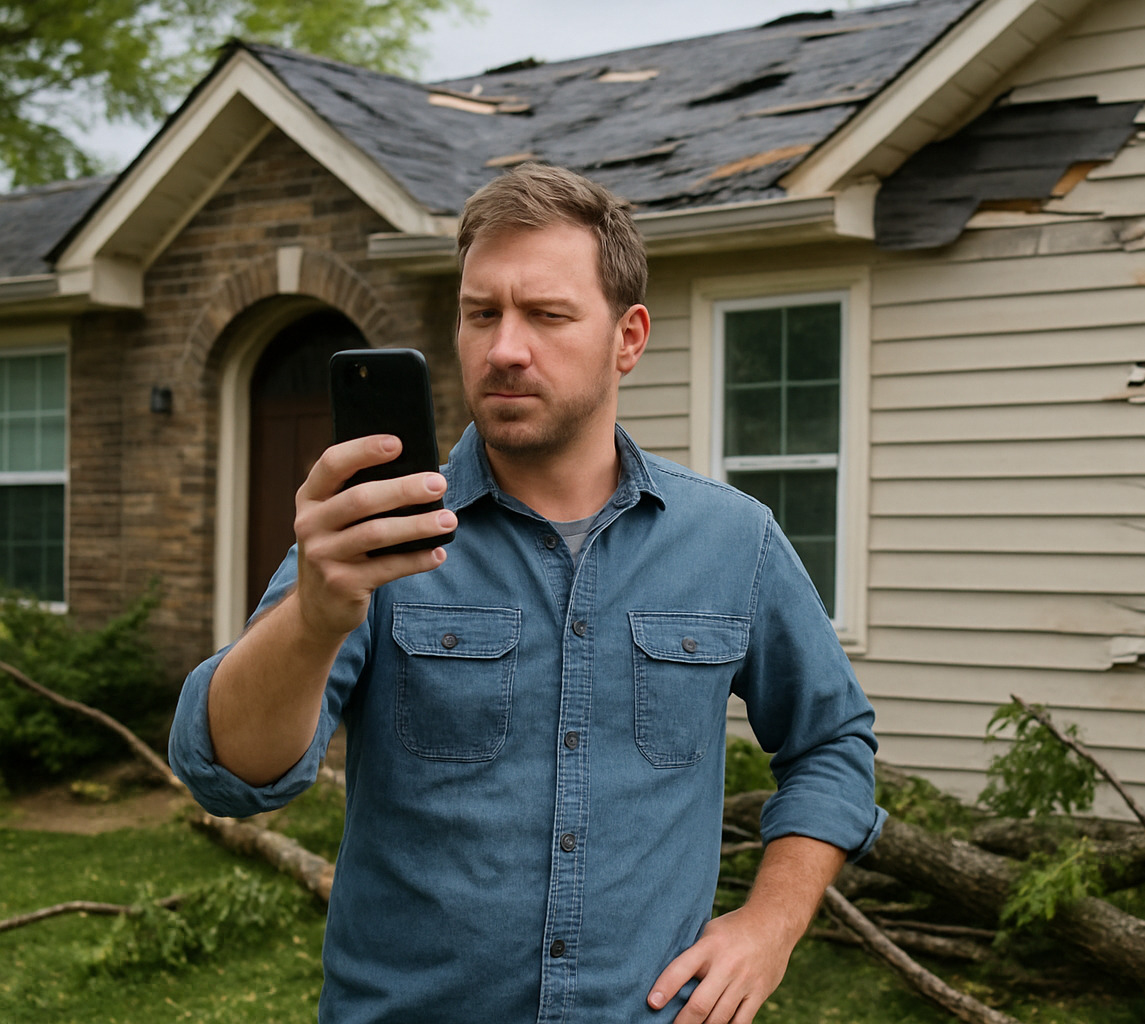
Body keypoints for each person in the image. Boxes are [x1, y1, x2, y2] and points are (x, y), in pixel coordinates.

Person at [168, 162, 886, 1024]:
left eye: (546, 315)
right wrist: (317, 617)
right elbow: (231, 775)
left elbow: (833, 741)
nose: (506, 347)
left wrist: (770, 924)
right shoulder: (375, 536)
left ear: (629, 337)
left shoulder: (734, 542)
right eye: (482, 314)